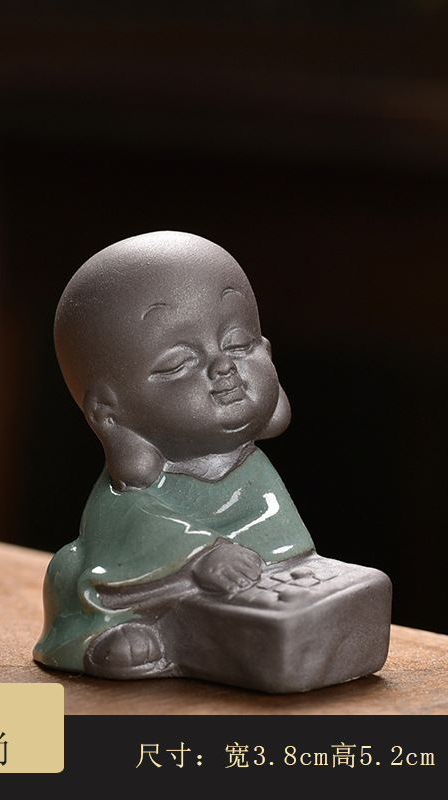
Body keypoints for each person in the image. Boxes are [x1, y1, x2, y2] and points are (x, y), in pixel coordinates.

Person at [33, 231, 317, 677]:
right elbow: (124, 539)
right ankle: (101, 638)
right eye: (178, 363)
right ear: (109, 412)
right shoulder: (128, 497)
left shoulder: (254, 470)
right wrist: (202, 556)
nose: (224, 367)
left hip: (244, 598)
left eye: (239, 344)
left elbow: (281, 540)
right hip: (141, 589)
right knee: (67, 571)